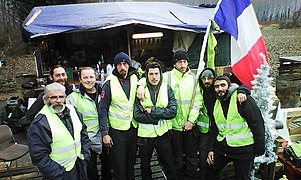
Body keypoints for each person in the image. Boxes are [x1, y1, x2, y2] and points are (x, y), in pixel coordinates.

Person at [187, 68, 250, 179]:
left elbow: (236, 85)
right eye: (204, 78)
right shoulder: (199, 91)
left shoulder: (219, 92)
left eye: (209, 78)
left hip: (223, 135)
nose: (206, 81)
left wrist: (243, 90)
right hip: (206, 132)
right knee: (206, 160)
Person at [27, 82, 91, 180]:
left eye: (61, 97)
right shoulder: (40, 122)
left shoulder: (73, 111)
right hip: (59, 174)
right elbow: (39, 156)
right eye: (53, 97)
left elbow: (83, 134)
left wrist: (85, 156)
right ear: (45, 99)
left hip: (79, 166)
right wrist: (59, 173)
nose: (58, 101)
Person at [206, 75, 265, 180]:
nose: (220, 89)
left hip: (243, 150)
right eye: (217, 86)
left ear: (229, 86)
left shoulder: (242, 99)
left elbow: (257, 124)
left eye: (223, 85)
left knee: (242, 177)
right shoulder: (216, 103)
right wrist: (211, 149)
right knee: (210, 168)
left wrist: (259, 149)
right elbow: (214, 128)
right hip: (223, 148)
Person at [134, 62, 178, 180]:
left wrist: (152, 111)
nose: (154, 77)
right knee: (145, 167)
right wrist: (158, 117)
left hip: (163, 134)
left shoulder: (166, 88)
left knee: (169, 165)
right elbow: (137, 115)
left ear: (161, 74)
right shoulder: (139, 90)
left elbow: (173, 112)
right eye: (151, 74)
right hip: (144, 137)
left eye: (156, 74)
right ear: (146, 75)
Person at [66, 67, 111, 180]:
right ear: (80, 79)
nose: (89, 80)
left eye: (91, 77)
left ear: (96, 78)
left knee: (108, 166)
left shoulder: (104, 93)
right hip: (87, 140)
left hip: (105, 136)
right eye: (85, 77)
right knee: (91, 169)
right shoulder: (73, 98)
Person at [99, 52, 139, 180]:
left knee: (131, 162)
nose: (123, 67)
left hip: (132, 128)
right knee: (119, 166)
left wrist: (142, 86)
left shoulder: (134, 78)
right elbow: (103, 109)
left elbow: (143, 81)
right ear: (115, 66)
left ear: (129, 65)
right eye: (119, 64)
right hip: (117, 131)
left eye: (125, 64)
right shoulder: (109, 83)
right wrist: (105, 133)